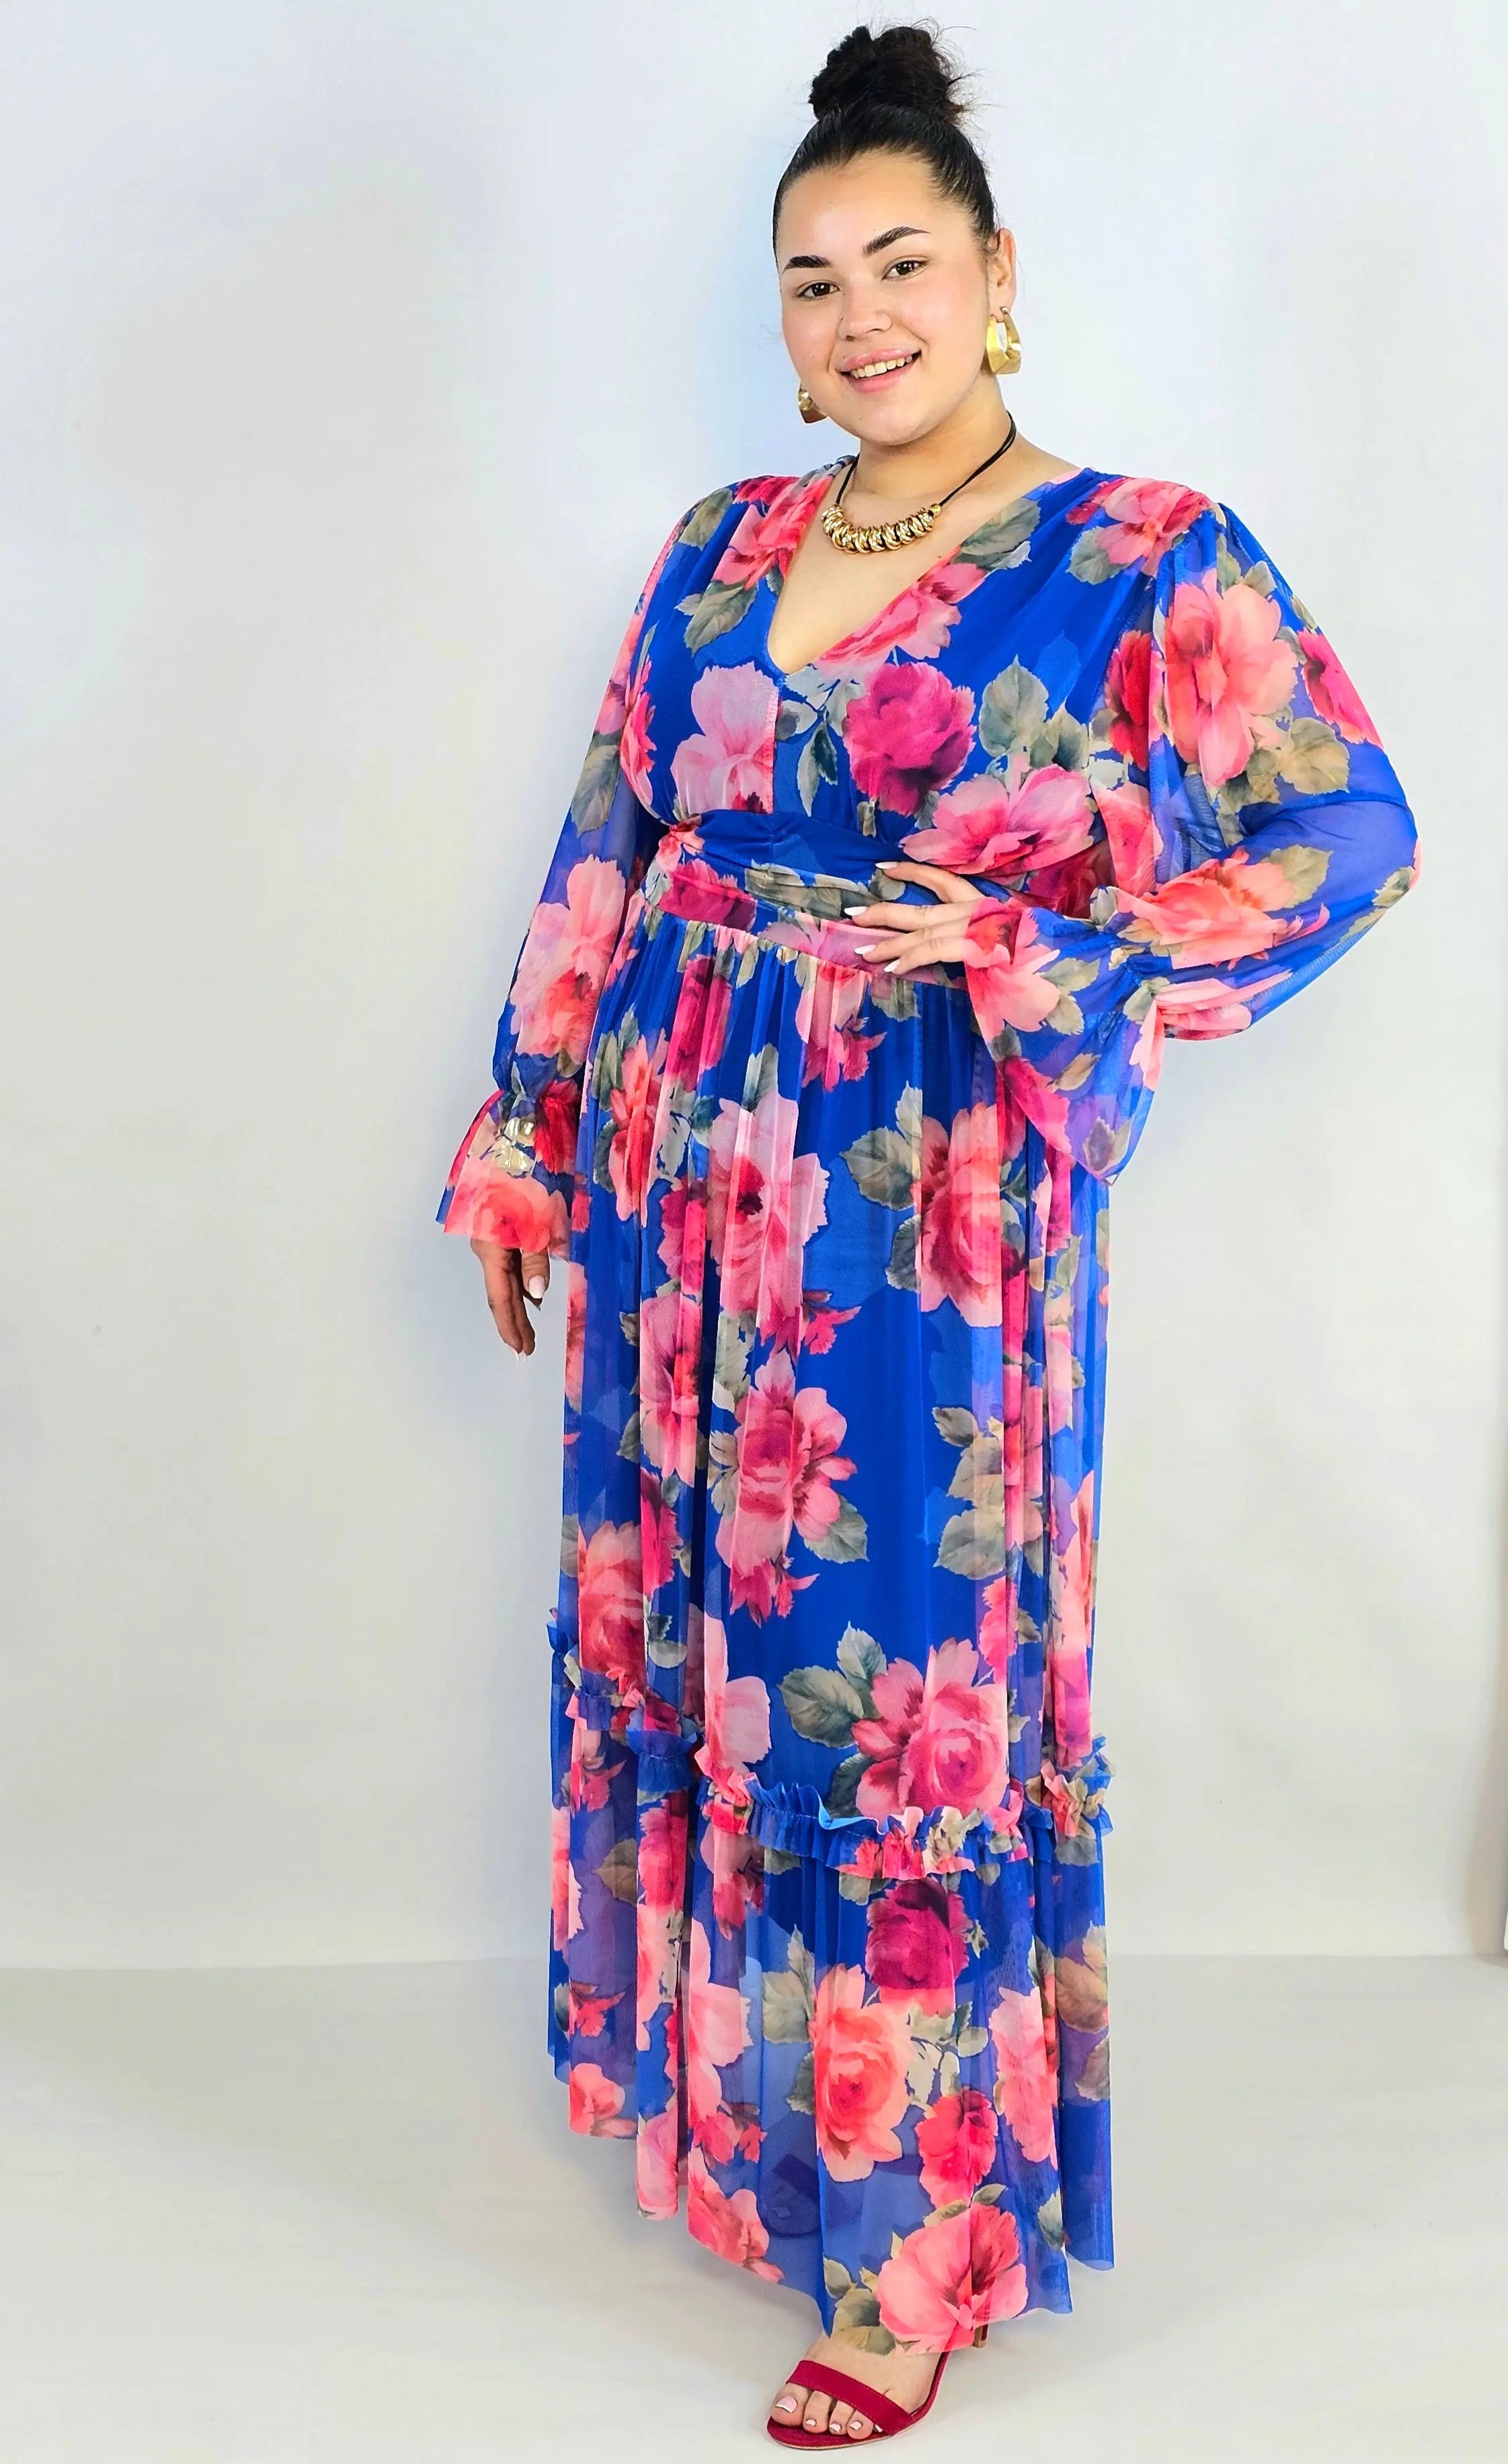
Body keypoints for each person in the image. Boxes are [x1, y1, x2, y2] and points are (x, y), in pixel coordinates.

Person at [436, 22, 1418, 2445]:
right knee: (712, 1652)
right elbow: (611, 842)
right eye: (811, 281)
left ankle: (912, 2255)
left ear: (995, 278)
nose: (858, 315)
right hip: (681, 1185)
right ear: (779, 327)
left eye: (900, 262)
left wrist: (1052, 948)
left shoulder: (1145, 556)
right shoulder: (717, 548)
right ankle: (758, 2146)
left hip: (925, 1210)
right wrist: (524, 1131)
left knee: (896, 1687)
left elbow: (1351, 830)